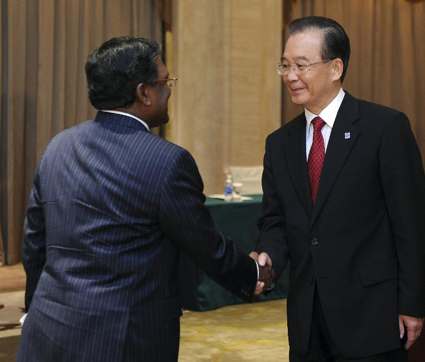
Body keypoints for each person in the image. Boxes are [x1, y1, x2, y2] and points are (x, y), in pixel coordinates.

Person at [18, 36, 273, 362]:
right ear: (144, 92)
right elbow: (205, 245)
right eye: (166, 81)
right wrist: (252, 274)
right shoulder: (167, 161)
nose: (169, 90)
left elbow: (34, 246)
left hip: (48, 332)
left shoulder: (57, 147)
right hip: (123, 341)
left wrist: (36, 308)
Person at [251, 16, 425, 361]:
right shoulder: (279, 143)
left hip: (372, 313)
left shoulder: (384, 128)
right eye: (285, 65)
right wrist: (266, 259)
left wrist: (412, 303)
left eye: (301, 66)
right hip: (306, 317)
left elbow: (411, 225)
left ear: (335, 68)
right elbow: (275, 221)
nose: (290, 76)